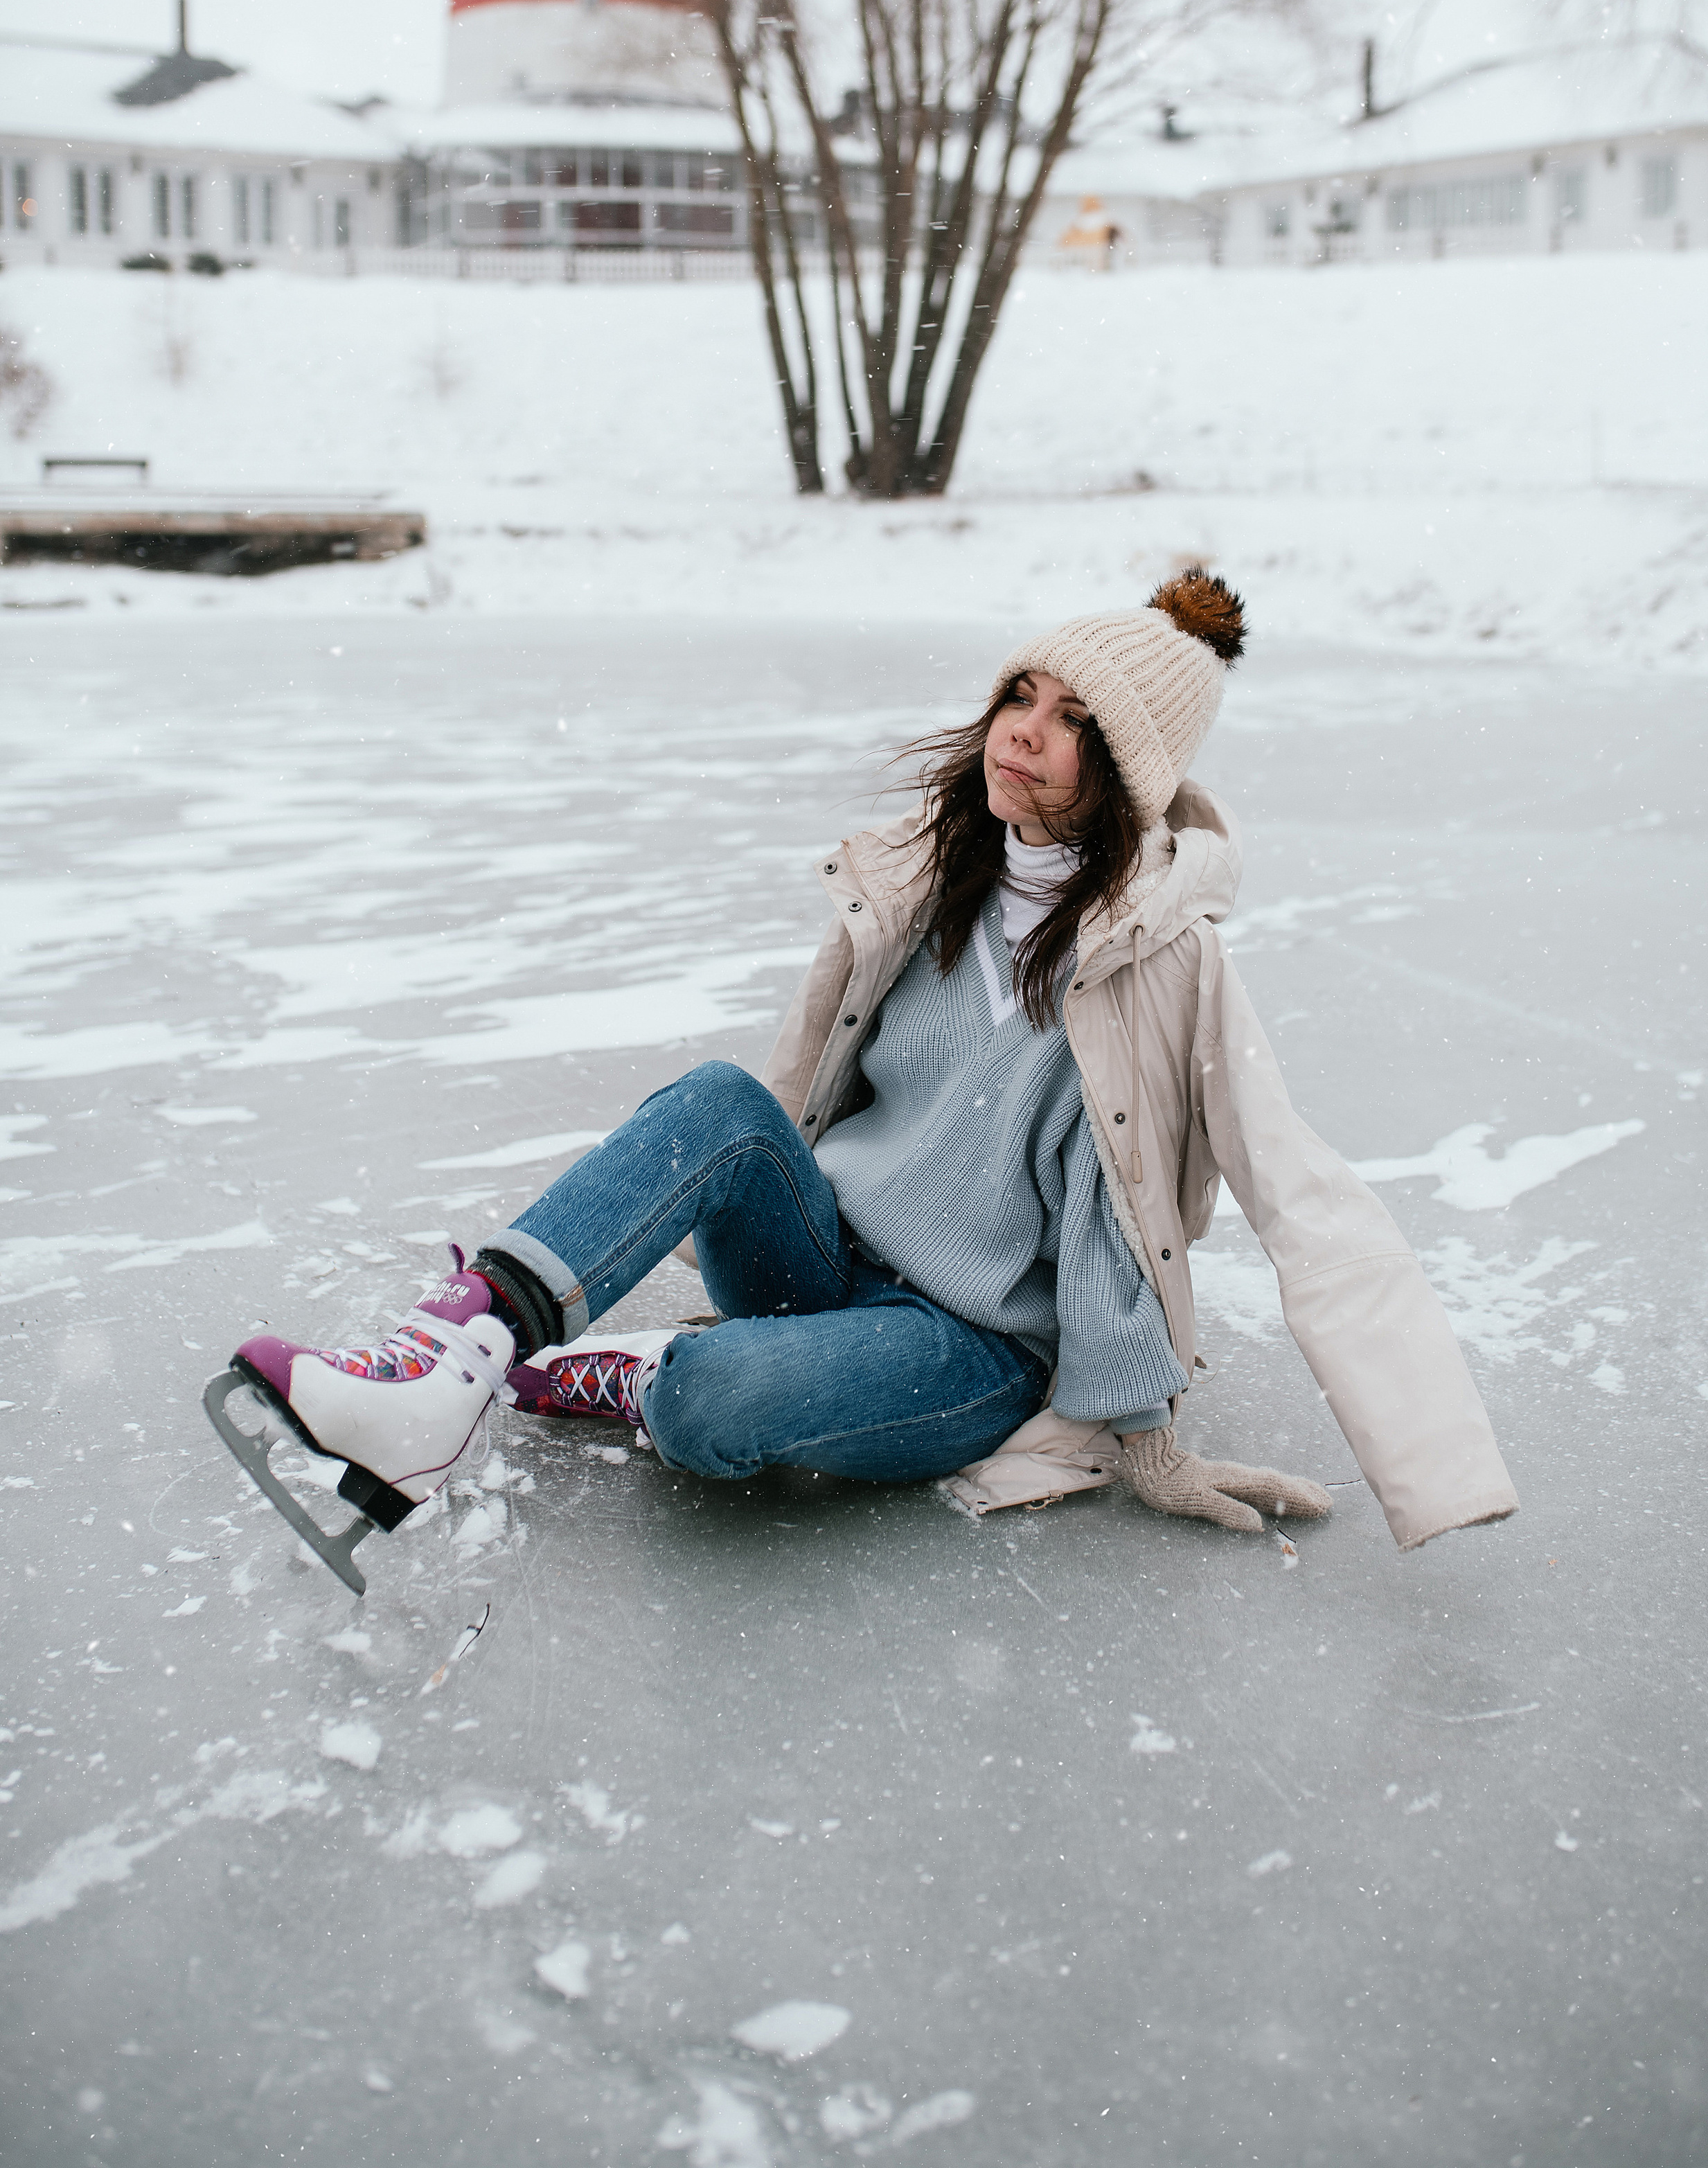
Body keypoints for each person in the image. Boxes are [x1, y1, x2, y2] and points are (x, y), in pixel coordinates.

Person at [217, 576, 1517, 1573]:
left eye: (1076, 724)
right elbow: (783, 1100)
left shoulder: (1168, 963)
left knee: (715, 1404)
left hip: (966, 1343)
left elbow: (1301, 1199)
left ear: (1127, 773)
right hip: (822, 1251)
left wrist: (1178, 1441)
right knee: (723, 1103)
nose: (1027, 737)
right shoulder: (920, 873)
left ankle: (648, 1375)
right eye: (1024, 696)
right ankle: (452, 1364)